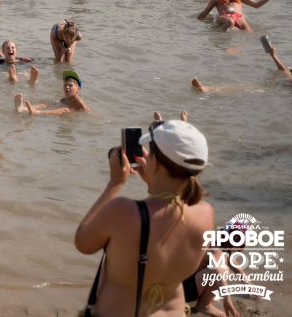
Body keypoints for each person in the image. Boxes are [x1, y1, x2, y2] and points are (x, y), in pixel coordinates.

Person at [75, 120, 214, 317]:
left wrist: (115, 183)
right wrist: (156, 180)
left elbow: (83, 242)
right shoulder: (205, 213)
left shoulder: (123, 211)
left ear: (155, 162)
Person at [14, 69, 88, 115]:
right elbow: (53, 104)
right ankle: (23, 109)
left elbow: (84, 112)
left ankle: (36, 112)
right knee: (46, 104)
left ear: (78, 89)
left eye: (70, 85)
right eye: (65, 85)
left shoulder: (79, 102)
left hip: (73, 114)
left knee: (65, 110)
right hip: (67, 108)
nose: (67, 87)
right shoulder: (64, 99)